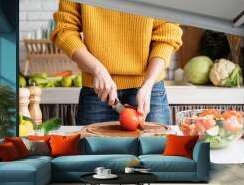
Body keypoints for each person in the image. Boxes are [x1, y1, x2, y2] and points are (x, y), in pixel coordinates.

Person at [51, 0, 183, 125]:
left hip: (148, 91)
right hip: (98, 92)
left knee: (156, 148)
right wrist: (98, 70)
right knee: (93, 148)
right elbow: (65, 29)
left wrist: (148, 84)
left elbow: (167, 34)